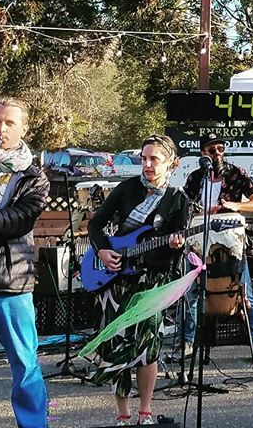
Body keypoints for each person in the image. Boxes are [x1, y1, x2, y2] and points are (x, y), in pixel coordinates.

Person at [88, 134, 188, 426]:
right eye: (144, 158)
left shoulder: (177, 199)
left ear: (171, 163)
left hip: (153, 281)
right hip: (116, 279)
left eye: (154, 159)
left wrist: (175, 246)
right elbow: (95, 223)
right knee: (115, 341)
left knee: (147, 346)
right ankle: (122, 414)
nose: (147, 164)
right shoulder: (127, 189)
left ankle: (145, 412)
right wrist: (103, 250)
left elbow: (177, 246)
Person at [0, 96, 49, 428]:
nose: (0, 128)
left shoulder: (34, 177)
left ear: (24, 128)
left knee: (23, 362)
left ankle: (32, 424)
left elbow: (18, 220)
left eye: (9, 123)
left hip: (10, 281)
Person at [182, 133, 253, 364]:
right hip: (200, 239)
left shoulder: (236, 173)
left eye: (220, 149)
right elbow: (183, 208)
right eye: (212, 150)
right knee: (195, 290)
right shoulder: (195, 178)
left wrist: (234, 206)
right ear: (203, 154)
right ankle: (189, 342)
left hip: (231, 240)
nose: (217, 153)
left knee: (243, 289)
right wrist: (197, 212)